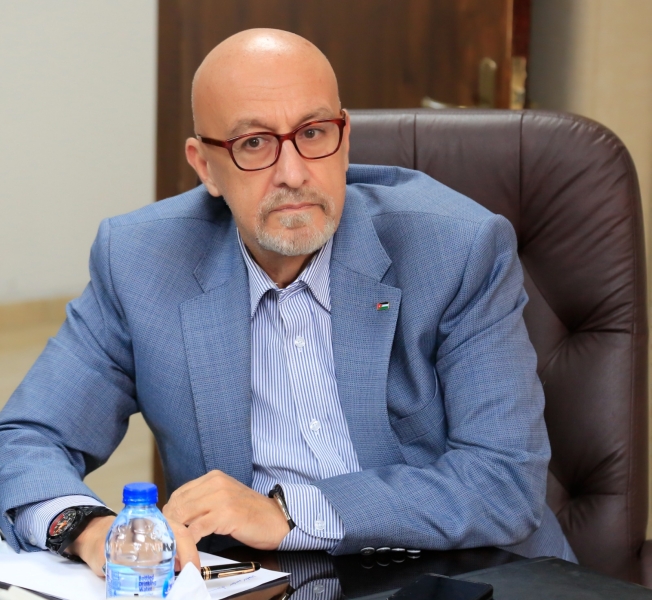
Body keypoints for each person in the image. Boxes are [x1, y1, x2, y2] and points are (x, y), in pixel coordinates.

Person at [0, 29, 576, 578]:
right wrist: (90, 529)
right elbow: (25, 440)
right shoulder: (142, 261)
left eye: (314, 133)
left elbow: (502, 481)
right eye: (253, 143)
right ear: (205, 166)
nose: (294, 174)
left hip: (468, 573)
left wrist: (287, 512)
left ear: (344, 140)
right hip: (262, 583)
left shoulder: (457, 249)